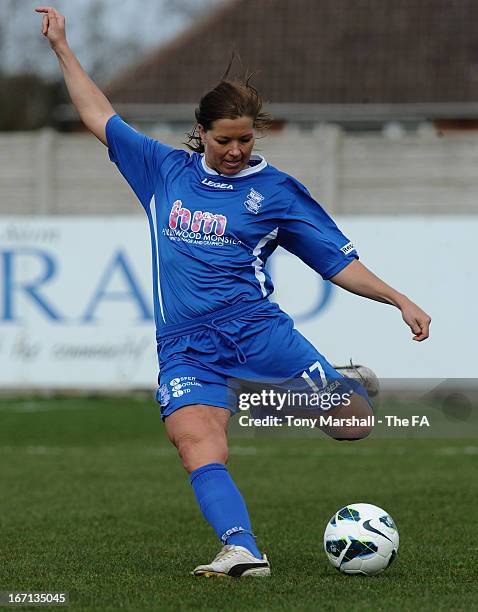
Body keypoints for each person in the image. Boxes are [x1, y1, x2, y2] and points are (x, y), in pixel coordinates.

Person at [36, 7, 431, 578]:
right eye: (226, 140)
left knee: (353, 424)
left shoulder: (274, 192)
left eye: (246, 140)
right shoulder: (162, 170)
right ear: (202, 134)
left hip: (254, 332)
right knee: (196, 440)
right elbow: (99, 114)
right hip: (184, 345)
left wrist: (400, 300)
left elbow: (337, 262)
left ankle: (340, 384)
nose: (237, 150)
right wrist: (62, 49)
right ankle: (242, 548)